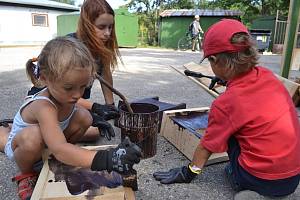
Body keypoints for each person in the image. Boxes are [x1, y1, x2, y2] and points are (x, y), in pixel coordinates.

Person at [153, 19, 300, 198]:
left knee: (228, 133)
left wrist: (189, 172)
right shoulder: (268, 77)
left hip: (259, 179)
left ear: (215, 61)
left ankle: (251, 191)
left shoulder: (226, 103)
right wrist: (229, 81)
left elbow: (208, 145)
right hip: (292, 179)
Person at [0, 36, 141, 200]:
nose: (77, 95)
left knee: (85, 117)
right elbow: (59, 147)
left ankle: (64, 155)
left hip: (49, 142)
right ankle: (26, 174)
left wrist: (96, 116)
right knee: (34, 137)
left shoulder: (65, 95)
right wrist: (108, 158)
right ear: (45, 78)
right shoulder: (43, 106)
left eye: (83, 86)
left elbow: (79, 119)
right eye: (69, 87)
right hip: (26, 147)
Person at [27, 0, 121, 141]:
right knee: (40, 139)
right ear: (87, 25)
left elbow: (105, 74)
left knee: (95, 132)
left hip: (68, 103)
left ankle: (53, 140)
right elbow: (59, 94)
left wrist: (110, 105)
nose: (107, 33)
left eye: (110, 27)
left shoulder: (101, 47)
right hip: (46, 102)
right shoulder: (71, 49)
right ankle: (12, 135)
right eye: (101, 27)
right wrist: (94, 107)